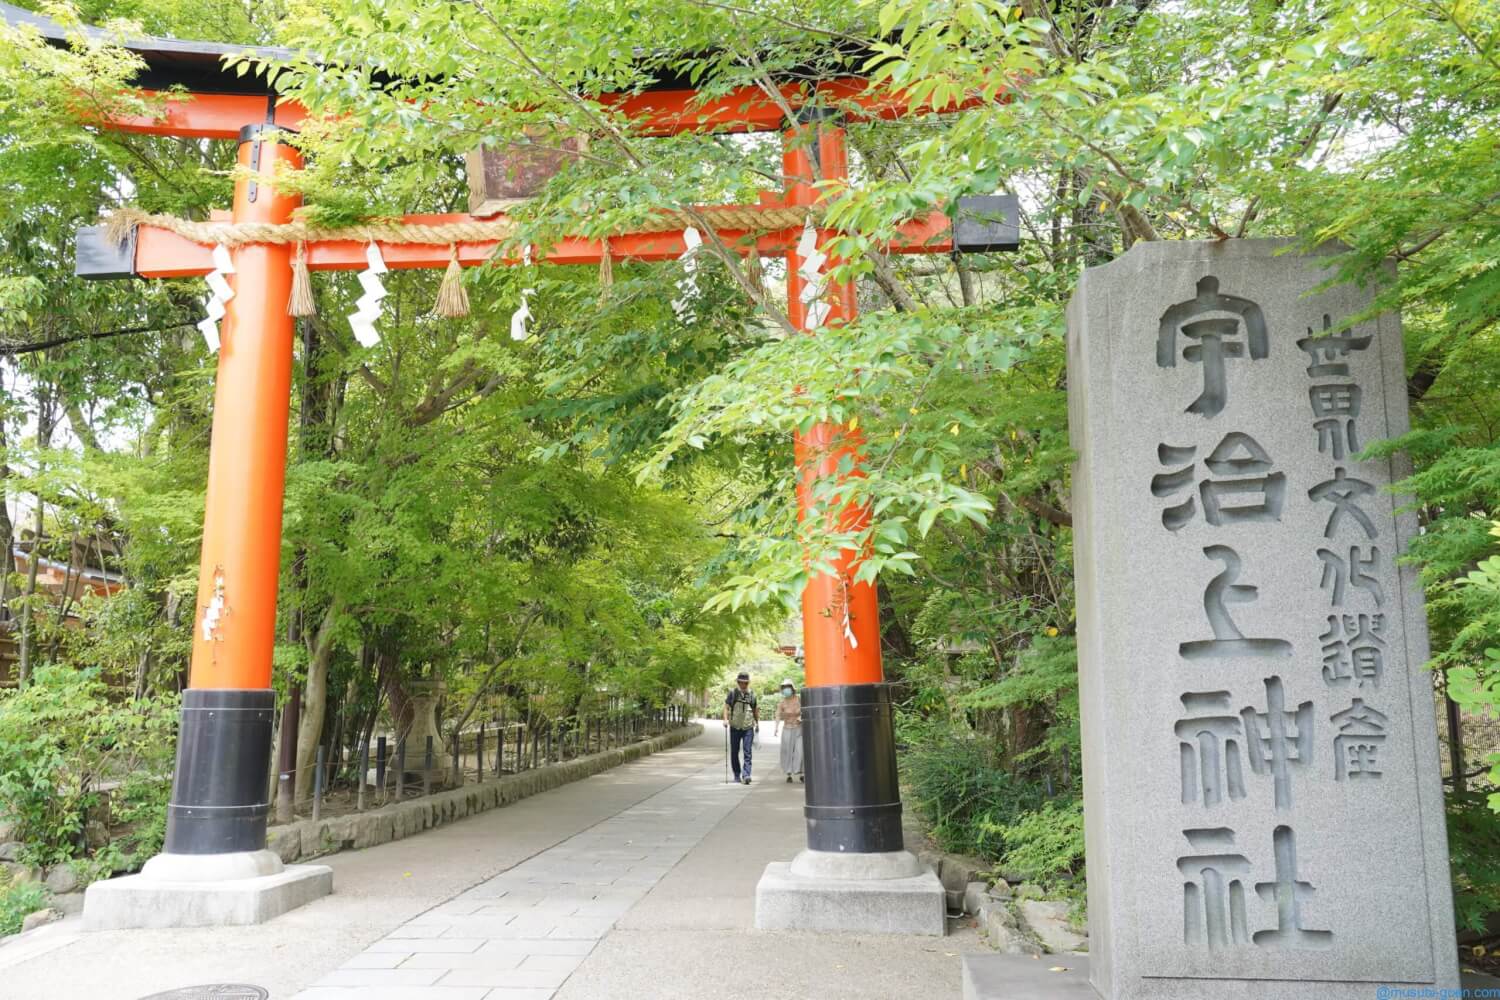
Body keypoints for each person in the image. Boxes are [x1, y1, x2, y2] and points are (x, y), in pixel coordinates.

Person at [723, 671, 759, 785]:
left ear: (748, 683)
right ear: (738, 682)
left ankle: (746, 775)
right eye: (741, 682)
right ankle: (737, 775)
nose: (743, 685)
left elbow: (755, 710)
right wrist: (725, 719)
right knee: (734, 752)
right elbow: (726, 707)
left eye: (745, 683)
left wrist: (757, 723)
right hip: (735, 727)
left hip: (748, 727)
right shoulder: (733, 694)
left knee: (747, 752)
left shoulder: (752, 695)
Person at [773, 679, 803, 783]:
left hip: (799, 728)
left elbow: (806, 710)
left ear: (792, 688)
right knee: (787, 751)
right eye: (784, 687)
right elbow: (777, 714)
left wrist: (801, 717)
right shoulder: (782, 703)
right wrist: (776, 727)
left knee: (800, 751)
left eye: (788, 686)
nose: (786, 689)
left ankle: (801, 772)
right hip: (787, 728)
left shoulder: (799, 699)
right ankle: (789, 773)